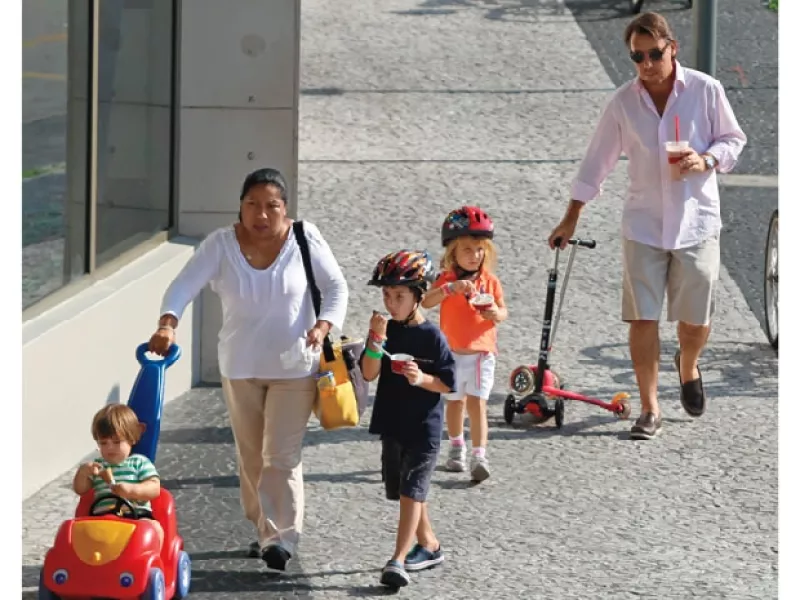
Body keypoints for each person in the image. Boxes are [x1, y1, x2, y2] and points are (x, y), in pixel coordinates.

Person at [547, 11, 746, 440]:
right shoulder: (623, 102)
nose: (646, 64)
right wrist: (571, 216)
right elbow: (596, 161)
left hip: (696, 221)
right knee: (643, 318)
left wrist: (706, 159)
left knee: (694, 321)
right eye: (637, 57)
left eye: (654, 53)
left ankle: (688, 365)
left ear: (672, 48)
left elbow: (733, 139)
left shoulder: (705, 91)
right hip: (643, 225)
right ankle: (649, 407)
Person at [147, 167, 348, 570]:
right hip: (240, 367)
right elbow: (184, 284)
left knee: (281, 455)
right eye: (252, 204)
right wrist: (167, 322)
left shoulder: (305, 238)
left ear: (285, 209)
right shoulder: (220, 245)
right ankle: (264, 528)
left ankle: (282, 538)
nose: (261, 214)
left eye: (271, 206)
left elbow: (336, 287)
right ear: (240, 206)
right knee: (252, 456)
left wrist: (324, 325)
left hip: (296, 367)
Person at [361, 250, 456, 589]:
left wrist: (421, 379)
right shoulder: (386, 330)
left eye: (399, 296)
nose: (391, 303)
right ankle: (430, 545)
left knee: (411, 492)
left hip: (423, 427)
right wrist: (375, 340)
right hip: (392, 422)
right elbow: (369, 373)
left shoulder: (432, 337)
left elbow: (447, 382)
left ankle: (397, 560)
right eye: (386, 295)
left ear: (418, 295)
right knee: (403, 489)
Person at [421, 206, 507, 481]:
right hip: (451, 354)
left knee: (477, 403)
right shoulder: (446, 280)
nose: (475, 256)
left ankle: (479, 454)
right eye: (467, 250)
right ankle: (457, 445)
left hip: (482, 353)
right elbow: (426, 301)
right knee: (454, 403)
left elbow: (503, 311)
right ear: (453, 254)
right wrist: (449, 289)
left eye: (480, 249)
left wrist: (495, 313)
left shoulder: (490, 282)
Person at [72, 404, 164, 548]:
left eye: (116, 442)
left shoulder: (139, 462)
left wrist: (132, 490)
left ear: (132, 439)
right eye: (103, 443)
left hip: (136, 517)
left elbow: (154, 488)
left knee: (154, 528)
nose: (109, 448)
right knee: (74, 532)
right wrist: (83, 472)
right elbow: (80, 490)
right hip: (101, 519)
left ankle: (152, 560)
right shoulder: (98, 466)